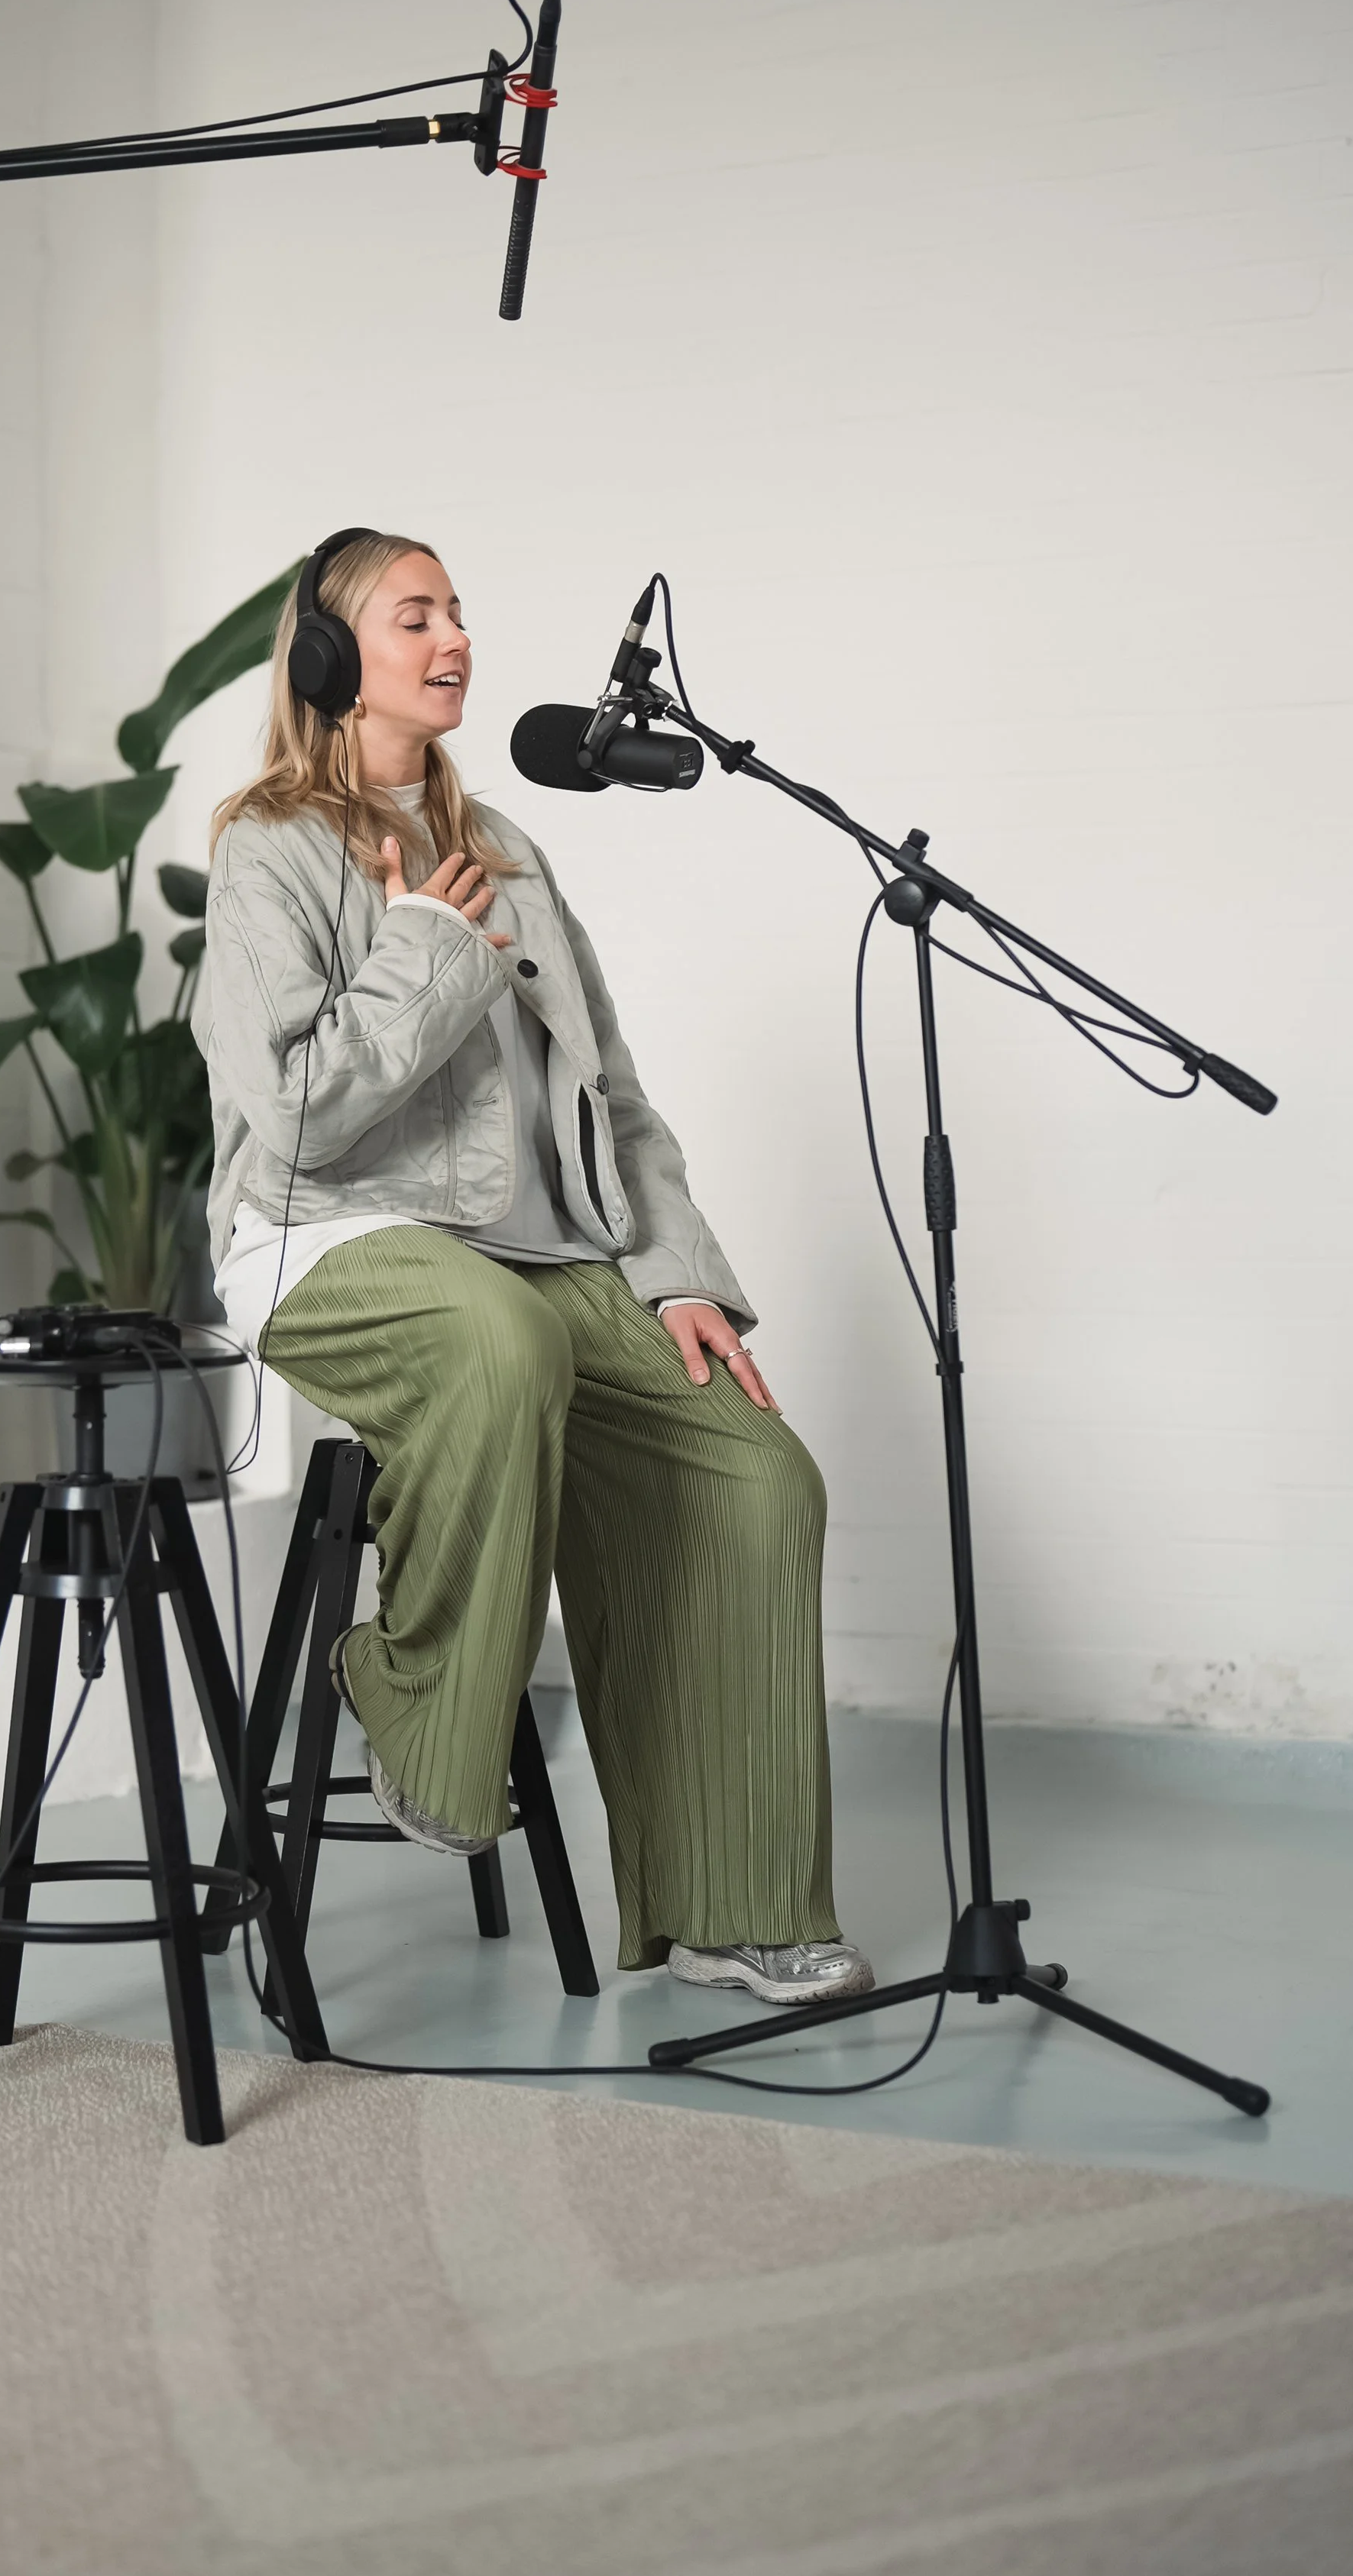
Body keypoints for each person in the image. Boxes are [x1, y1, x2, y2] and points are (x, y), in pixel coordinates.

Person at [193, 528, 873, 2005]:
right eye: (415, 615)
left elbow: (607, 1088)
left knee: (757, 1478)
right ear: (328, 656)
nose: (455, 641)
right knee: (500, 1345)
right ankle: (411, 1690)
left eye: (459, 615)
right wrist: (428, 946)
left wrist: (679, 1270)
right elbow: (299, 1113)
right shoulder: (268, 849)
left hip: (542, 1249)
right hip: (332, 1237)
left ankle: (732, 1903)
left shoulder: (510, 848)